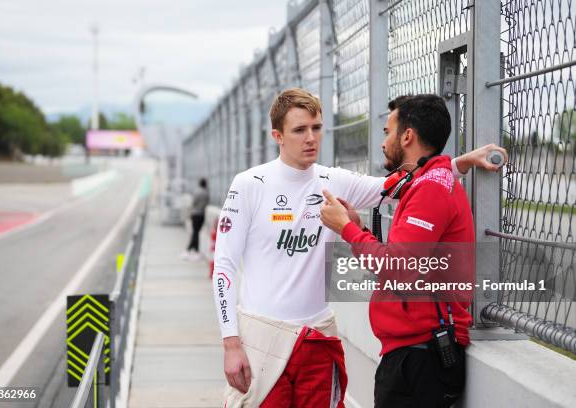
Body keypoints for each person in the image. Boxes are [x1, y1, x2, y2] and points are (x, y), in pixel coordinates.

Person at [212, 88, 505, 407]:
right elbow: (224, 268)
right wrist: (230, 342)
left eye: (317, 128)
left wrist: (460, 163)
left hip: (317, 335)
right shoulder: (248, 184)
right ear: (278, 135)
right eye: (299, 130)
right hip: (262, 338)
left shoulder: (332, 180)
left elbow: (405, 183)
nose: (310, 138)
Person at [320, 94, 484, 407]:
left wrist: (347, 229)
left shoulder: (432, 188)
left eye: (387, 132)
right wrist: (360, 229)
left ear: (407, 136)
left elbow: (397, 268)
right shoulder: (426, 181)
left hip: (421, 357)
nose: (384, 141)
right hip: (413, 353)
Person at [182, 178, 209, 261]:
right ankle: (191, 249)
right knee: (196, 232)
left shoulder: (197, 191)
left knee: (195, 232)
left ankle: (191, 250)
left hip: (195, 214)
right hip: (202, 214)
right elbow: (207, 203)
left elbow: (193, 202)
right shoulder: (206, 193)